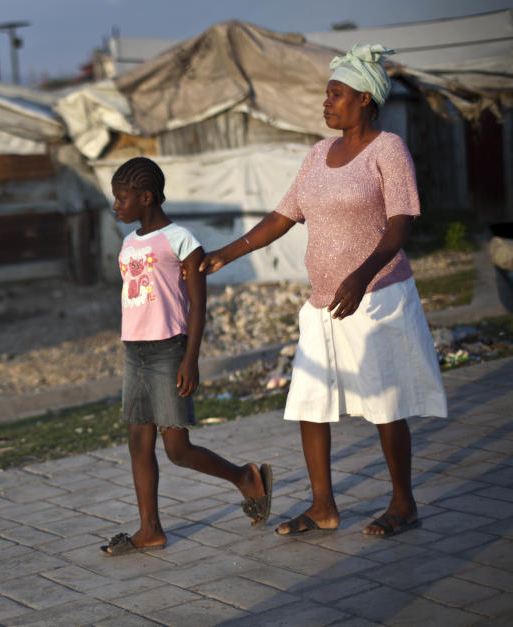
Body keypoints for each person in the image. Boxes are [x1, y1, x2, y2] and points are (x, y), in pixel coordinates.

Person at [199, 44, 448, 538]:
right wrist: (226, 253)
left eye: (336, 94)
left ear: (364, 100)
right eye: (327, 94)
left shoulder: (388, 149)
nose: (326, 102)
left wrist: (361, 274)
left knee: (384, 403)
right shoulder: (317, 154)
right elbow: (281, 217)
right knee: (310, 403)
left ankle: (403, 503)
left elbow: (399, 227)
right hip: (322, 303)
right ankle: (323, 507)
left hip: (376, 297)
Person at [100, 157, 273, 557]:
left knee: (177, 449)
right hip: (135, 352)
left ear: (145, 198)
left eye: (121, 199)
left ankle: (245, 478)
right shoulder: (129, 243)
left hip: (168, 351)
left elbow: (197, 304)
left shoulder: (182, 240)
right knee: (138, 444)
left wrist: (190, 358)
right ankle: (150, 530)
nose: (116, 206)